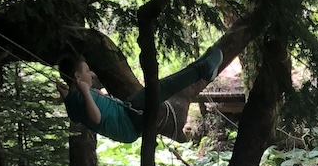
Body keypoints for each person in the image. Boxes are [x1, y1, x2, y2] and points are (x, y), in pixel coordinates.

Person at [58, 45, 224, 143]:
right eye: (87, 70)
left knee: (163, 86)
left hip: (126, 113)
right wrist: (86, 92)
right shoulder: (82, 94)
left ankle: (203, 65)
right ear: (78, 77)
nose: (91, 73)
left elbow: (74, 115)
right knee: (163, 87)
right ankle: (204, 68)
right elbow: (96, 118)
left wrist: (65, 94)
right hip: (128, 122)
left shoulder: (73, 99)